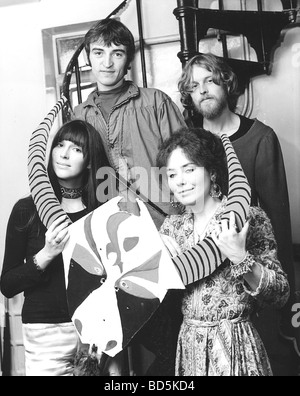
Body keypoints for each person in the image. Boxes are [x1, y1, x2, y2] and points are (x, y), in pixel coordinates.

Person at [177, 53, 296, 375]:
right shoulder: (185, 144)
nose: (202, 90)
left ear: (227, 84)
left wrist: (285, 296)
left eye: (210, 81)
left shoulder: (260, 138)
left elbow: (277, 219)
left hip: (248, 282)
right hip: (199, 292)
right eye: (193, 85)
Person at [157, 127, 290, 376]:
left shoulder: (249, 217)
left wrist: (241, 257)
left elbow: (281, 294)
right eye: (172, 174)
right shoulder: (171, 229)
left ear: (212, 172)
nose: (181, 181)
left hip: (237, 347)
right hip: (190, 349)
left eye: (190, 169)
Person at [0, 117, 111, 376]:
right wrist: (46, 254)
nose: (63, 154)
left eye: (76, 148)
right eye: (60, 145)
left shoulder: (102, 213)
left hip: (94, 331)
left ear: (90, 161)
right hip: (45, 332)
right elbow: (7, 285)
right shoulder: (26, 210)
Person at [72, 18, 187, 229]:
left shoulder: (155, 102)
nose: (107, 63)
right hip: (110, 226)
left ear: (128, 60)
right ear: (89, 57)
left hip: (166, 221)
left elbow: (187, 162)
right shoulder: (80, 115)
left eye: (117, 53)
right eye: (99, 53)